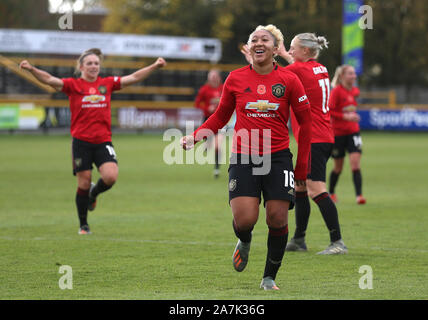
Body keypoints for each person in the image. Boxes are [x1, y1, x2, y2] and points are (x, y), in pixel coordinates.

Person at [181, 25, 312, 290]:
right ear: (249, 47)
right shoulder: (235, 78)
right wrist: (195, 137)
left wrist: (301, 170)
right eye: (254, 39)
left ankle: (268, 278)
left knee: (277, 218)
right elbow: (220, 116)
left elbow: (306, 125)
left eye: (265, 39)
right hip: (244, 156)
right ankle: (244, 239)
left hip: (277, 158)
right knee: (245, 220)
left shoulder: (289, 80)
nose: (258, 42)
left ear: (276, 49)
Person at [19, 49, 167, 234]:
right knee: (83, 182)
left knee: (110, 177)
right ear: (81, 67)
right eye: (89, 63)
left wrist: (154, 65)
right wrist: (31, 69)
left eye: (96, 63)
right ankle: (83, 225)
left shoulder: (107, 83)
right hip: (81, 142)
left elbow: (134, 77)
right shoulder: (73, 85)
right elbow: (49, 80)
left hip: (103, 141)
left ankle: (93, 193)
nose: (93, 66)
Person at [242, 33, 348, 255]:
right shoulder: (319, 68)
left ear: (306, 51)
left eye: (292, 48)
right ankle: (299, 239)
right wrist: (280, 53)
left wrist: (254, 61)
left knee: (315, 188)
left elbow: (272, 74)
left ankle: (337, 242)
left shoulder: (299, 70)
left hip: (315, 138)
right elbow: (295, 67)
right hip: (323, 135)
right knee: (299, 186)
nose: (289, 52)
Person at [328, 65, 366, 205]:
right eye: (350, 73)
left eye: (354, 73)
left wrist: (352, 117)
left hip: (353, 132)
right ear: (343, 76)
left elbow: (351, 108)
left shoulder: (355, 91)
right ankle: (331, 192)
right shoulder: (337, 92)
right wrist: (346, 117)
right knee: (338, 167)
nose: (354, 76)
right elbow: (329, 111)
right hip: (338, 134)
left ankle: (359, 196)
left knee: (355, 164)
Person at [194, 69, 224, 178]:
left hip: (221, 120)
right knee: (210, 143)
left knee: (218, 145)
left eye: (215, 76)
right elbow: (197, 104)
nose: (213, 78)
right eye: (211, 76)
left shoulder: (223, 88)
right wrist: (207, 108)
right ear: (208, 78)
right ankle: (207, 144)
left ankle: (216, 169)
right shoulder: (204, 90)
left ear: (218, 77)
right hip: (207, 120)